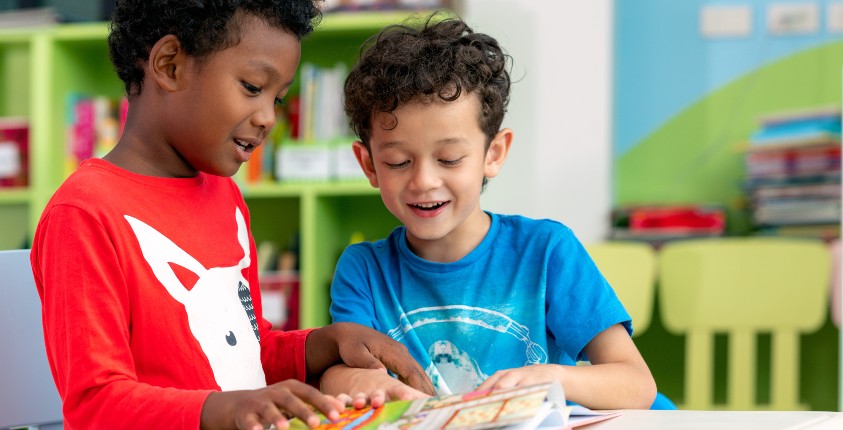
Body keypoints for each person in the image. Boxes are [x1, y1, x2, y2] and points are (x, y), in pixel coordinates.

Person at [29, 1, 434, 429]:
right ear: (169, 65)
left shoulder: (225, 196)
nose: (267, 118)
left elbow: (245, 352)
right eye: (252, 87)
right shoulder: (84, 213)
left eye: (278, 98)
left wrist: (328, 342)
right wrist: (228, 409)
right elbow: (95, 404)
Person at [323, 14, 659, 410]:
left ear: (493, 154)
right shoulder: (364, 270)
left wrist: (551, 377)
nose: (424, 181)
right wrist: (360, 381)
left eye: (449, 158)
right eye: (398, 162)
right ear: (369, 165)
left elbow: (636, 384)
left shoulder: (547, 251)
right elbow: (337, 374)